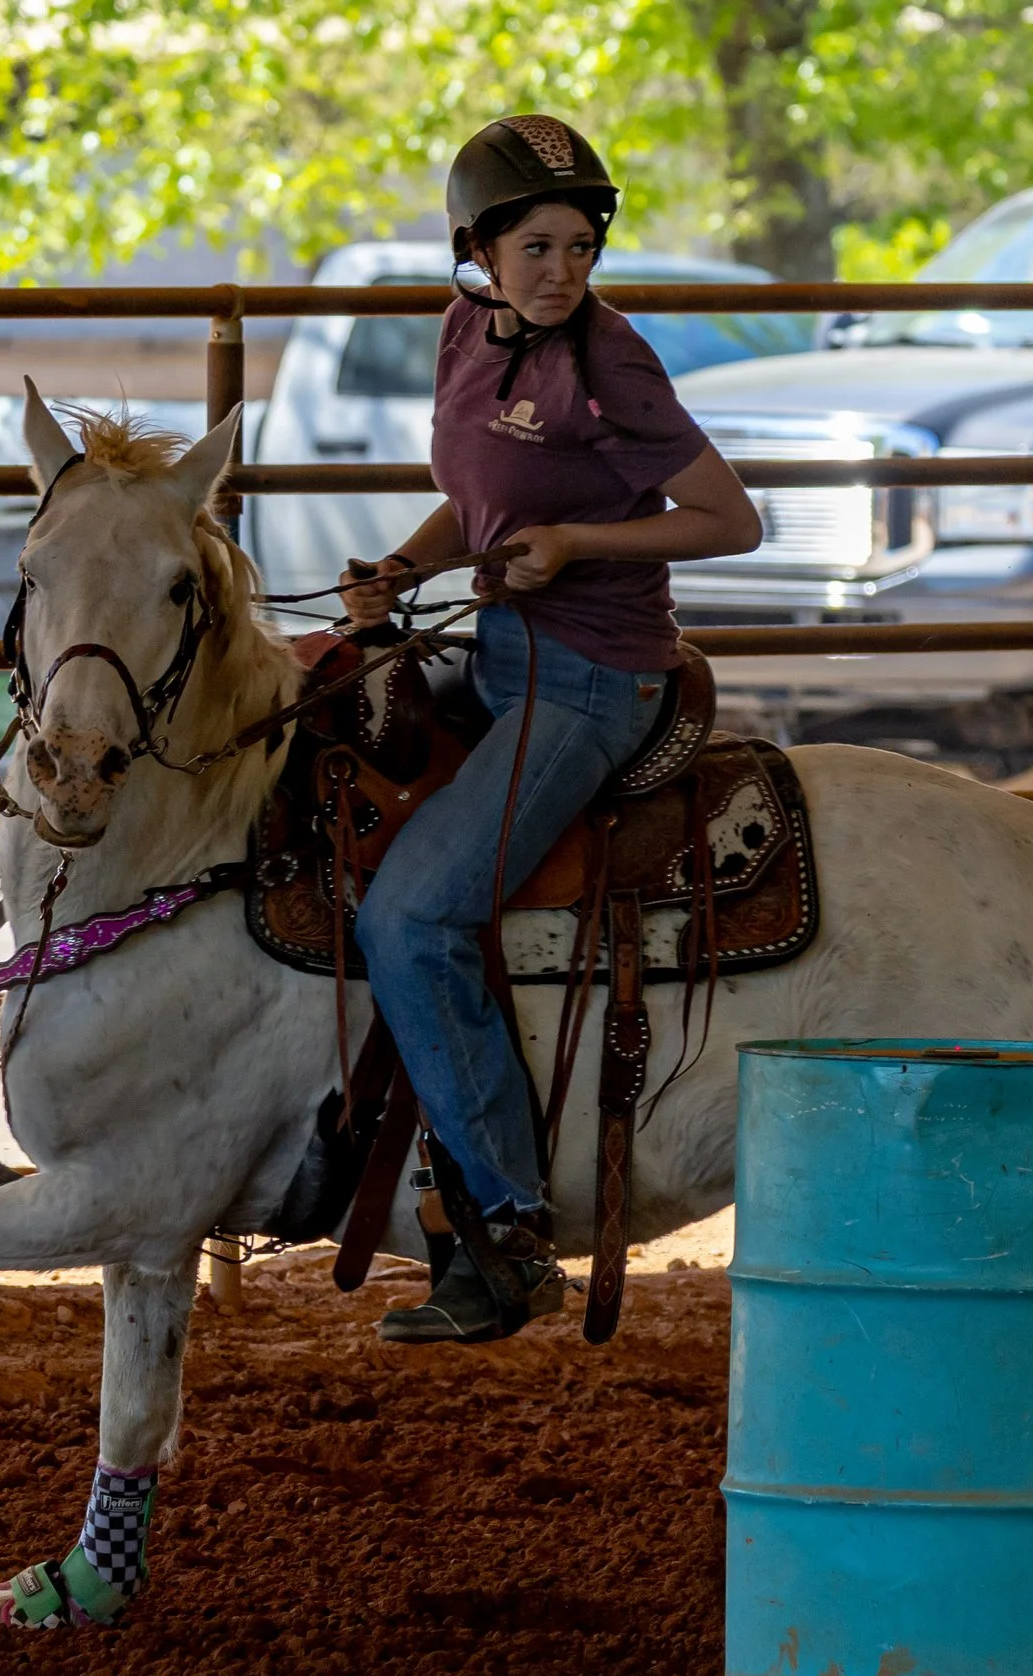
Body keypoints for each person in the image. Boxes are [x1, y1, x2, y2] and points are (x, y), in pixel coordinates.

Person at [344, 115, 762, 1344]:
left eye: (579, 246)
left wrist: (581, 547)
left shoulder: (613, 363)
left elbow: (730, 520)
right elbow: (475, 500)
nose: (562, 270)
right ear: (478, 246)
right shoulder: (463, 333)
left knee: (412, 913)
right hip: (501, 650)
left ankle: (506, 1225)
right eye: (537, 245)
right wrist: (404, 570)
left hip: (588, 676)